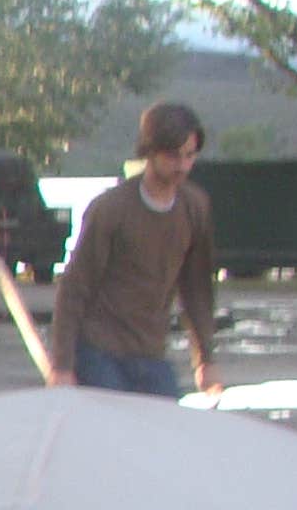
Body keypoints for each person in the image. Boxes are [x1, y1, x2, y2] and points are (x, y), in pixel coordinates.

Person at [49, 102, 220, 398]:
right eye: (173, 156)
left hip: (150, 353)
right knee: (114, 423)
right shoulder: (110, 209)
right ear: (149, 151)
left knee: (164, 422)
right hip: (98, 351)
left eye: (189, 156)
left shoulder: (194, 207)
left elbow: (197, 289)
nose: (182, 166)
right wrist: (62, 365)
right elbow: (74, 288)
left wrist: (205, 359)